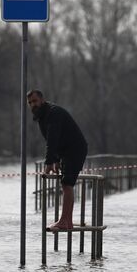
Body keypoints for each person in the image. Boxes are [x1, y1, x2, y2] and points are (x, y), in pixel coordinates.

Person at [27, 89, 88, 231]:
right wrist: (55, 159)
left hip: (75, 149)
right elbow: (53, 139)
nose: (32, 105)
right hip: (65, 150)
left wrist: (48, 163)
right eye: (30, 103)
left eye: (35, 101)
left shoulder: (53, 113)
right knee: (65, 184)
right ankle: (67, 221)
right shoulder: (42, 117)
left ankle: (64, 221)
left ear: (42, 100)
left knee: (67, 183)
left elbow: (53, 140)